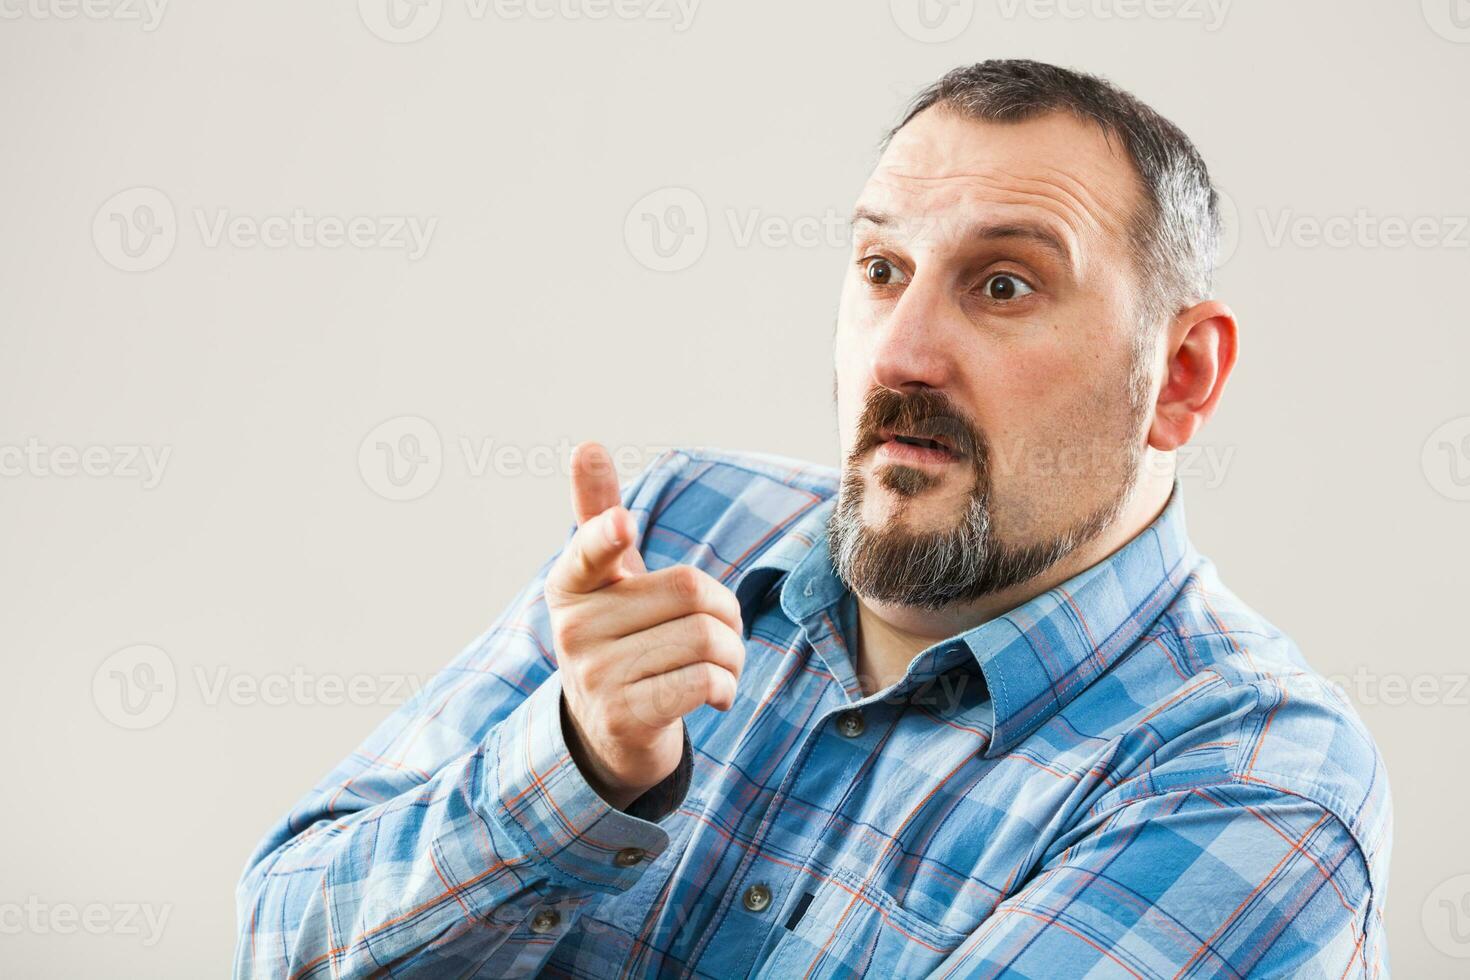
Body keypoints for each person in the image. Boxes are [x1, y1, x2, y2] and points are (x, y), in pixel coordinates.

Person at [235, 59, 1390, 978]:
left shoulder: (1253, 779)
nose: (901, 352)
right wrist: (578, 767)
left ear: (1182, 374)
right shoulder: (681, 524)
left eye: (1004, 284)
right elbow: (282, 939)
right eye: (882, 268)